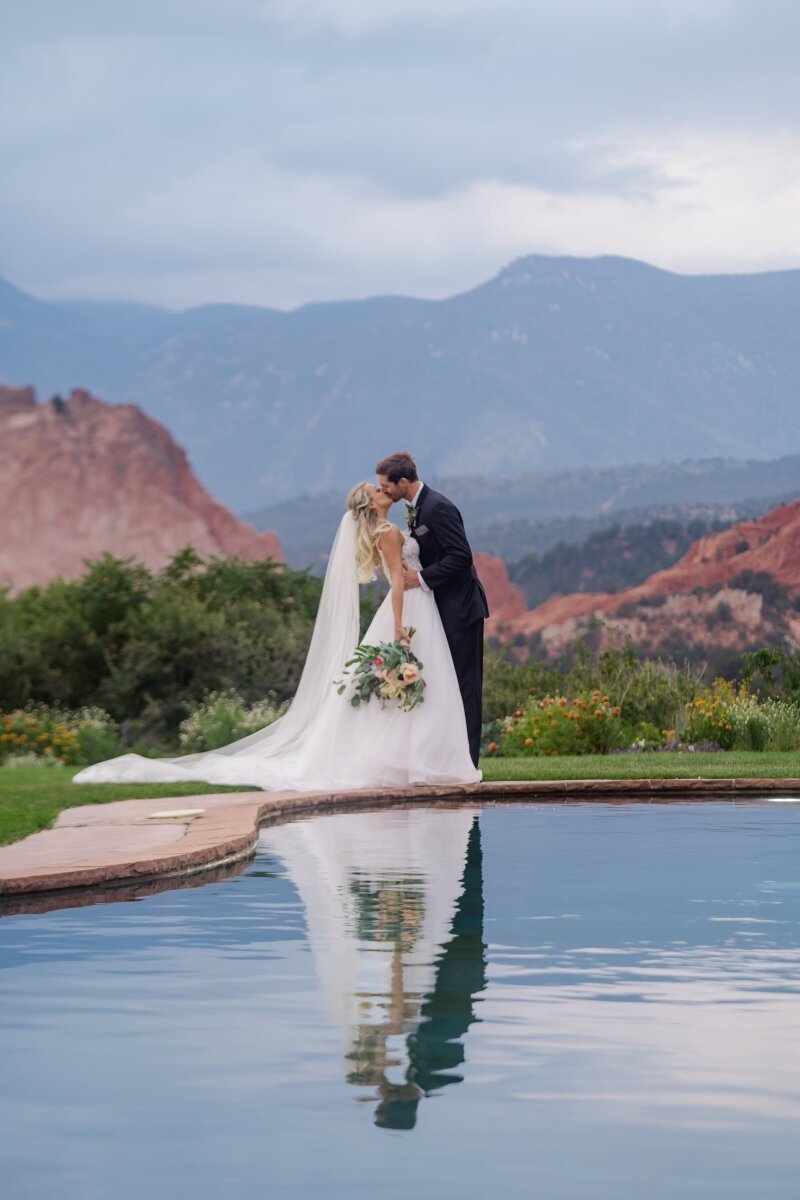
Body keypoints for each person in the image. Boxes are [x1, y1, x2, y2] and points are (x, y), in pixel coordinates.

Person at [73, 478, 480, 790]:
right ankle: (419, 760)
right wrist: (397, 627)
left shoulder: (382, 531)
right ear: (372, 503)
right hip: (406, 610)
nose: (383, 489)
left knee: (395, 690)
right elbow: (395, 582)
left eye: (383, 484)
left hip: (414, 607)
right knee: (412, 686)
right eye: (377, 488)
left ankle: (409, 759)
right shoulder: (388, 533)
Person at [376, 452, 488, 767]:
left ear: (402, 482)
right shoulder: (415, 509)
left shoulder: (438, 508)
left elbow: (461, 555)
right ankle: (447, 760)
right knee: (445, 687)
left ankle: (469, 763)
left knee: (465, 688)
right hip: (439, 610)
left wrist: (421, 578)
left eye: (385, 486)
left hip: (461, 610)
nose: (383, 491)